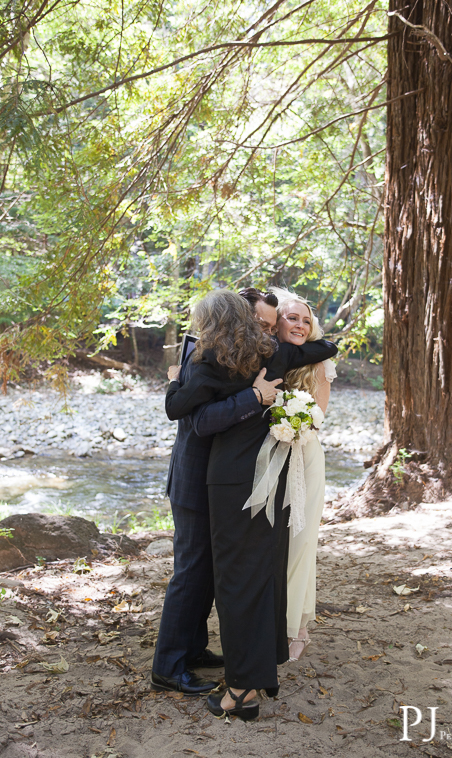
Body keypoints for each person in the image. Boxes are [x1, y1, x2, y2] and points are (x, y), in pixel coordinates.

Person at [164, 289, 337, 719]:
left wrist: (175, 377)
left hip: (237, 479)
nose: (270, 328)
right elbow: (326, 347)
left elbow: (177, 408)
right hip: (260, 478)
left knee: (241, 582)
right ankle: (254, 676)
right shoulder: (266, 356)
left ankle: (243, 690)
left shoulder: (218, 360)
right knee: (257, 578)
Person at [151, 290, 282, 695]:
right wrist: (254, 398)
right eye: (261, 322)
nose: (266, 330)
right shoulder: (201, 354)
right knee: (191, 573)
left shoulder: (236, 351)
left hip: (216, 479)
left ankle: (192, 650)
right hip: (193, 480)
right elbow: (196, 420)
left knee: (207, 571)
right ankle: (168, 667)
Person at [271, 288, 336, 661]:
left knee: (300, 540)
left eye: (305, 320)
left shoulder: (318, 361)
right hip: (266, 456)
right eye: (292, 318)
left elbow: (320, 415)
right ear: (276, 321)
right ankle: (271, 621)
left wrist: (294, 423)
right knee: (271, 544)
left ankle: (298, 627)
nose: (299, 325)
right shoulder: (261, 355)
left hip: (304, 454)